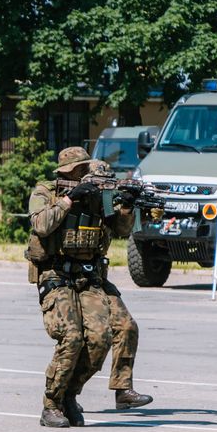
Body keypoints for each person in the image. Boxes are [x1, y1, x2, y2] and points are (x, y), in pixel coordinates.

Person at [26, 148, 135, 428]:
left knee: (101, 337)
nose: (81, 175)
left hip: (87, 275)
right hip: (55, 274)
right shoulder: (46, 192)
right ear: (65, 173)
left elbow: (121, 229)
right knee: (71, 337)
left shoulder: (99, 194)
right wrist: (70, 199)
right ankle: (51, 403)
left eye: (83, 170)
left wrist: (126, 205)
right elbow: (41, 225)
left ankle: (69, 395)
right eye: (76, 172)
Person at [87, 161, 154, 411]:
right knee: (84, 339)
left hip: (97, 278)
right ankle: (64, 394)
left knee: (126, 326)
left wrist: (126, 205)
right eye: (97, 183)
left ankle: (122, 389)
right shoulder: (65, 201)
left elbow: (123, 230)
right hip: (67, 281)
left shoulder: (105, 205)